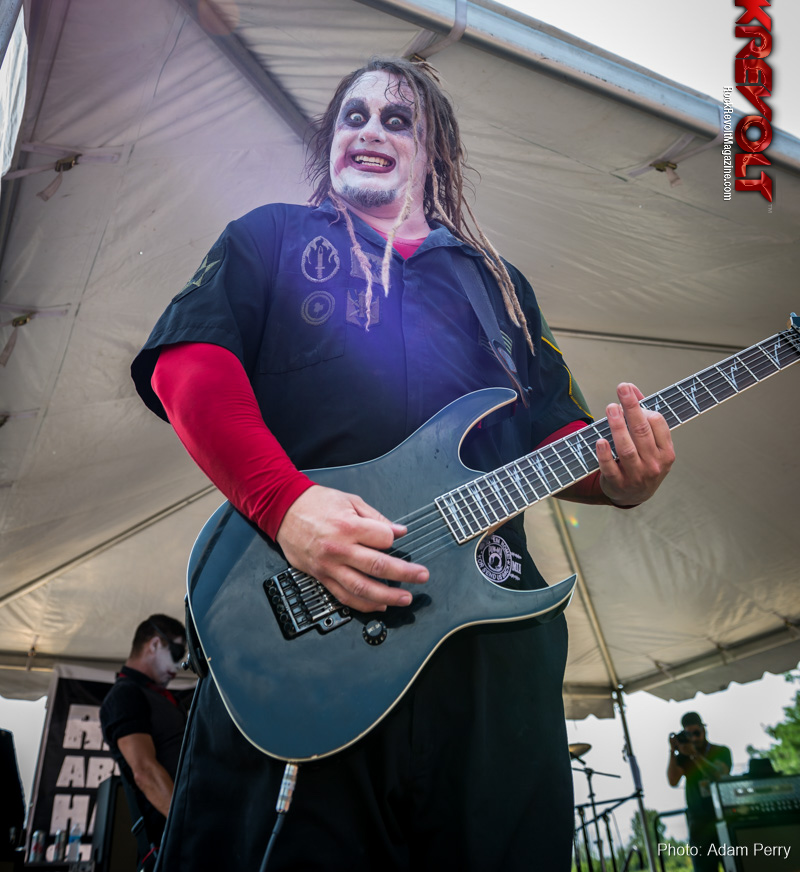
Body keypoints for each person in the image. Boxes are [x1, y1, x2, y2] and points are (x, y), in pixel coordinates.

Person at [131, 58, 675, 871]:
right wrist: (288, 507)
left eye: (397, 120)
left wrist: (621, 476)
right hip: (307, 648)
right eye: (353, 116)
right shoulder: (271, 236)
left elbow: (556, 435)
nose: (370, 131)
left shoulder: (500, 287)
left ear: (434, 152)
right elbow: (189, 366)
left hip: (488, 655)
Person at [100, 615, 188, 865]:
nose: (177, 667)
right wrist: (191, 827)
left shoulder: (160, 697)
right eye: (176, 653)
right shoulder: (125, 695)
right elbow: (144, 772)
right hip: (176, 846)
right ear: (155, 644)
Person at [668, 711, 732, 871]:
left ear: (704, 730)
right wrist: (673, 751)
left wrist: (695, 756)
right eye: (689, 734)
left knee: (735, 865)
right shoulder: (683, 757)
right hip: (698, 823)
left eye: (697, 733)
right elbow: (673, 781)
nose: (694, 738)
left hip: (724, 817)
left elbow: (718, 775)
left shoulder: (721, 751)